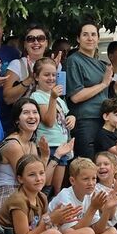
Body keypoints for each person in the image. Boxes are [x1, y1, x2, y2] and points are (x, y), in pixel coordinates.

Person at [0, 156, 79, 234]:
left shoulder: (42, 197)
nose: (39, 178)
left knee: (88, 232)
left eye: (41, 173)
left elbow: (42, 225)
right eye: (32, 175)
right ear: (20, 179)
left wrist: (58, 220)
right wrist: (50, 220)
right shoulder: (18, 201)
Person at [46, 159, 115, 234]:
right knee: (84, 232)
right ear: (72, 181)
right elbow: (73, 231)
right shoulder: (65, 197)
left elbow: (98, 230)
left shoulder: (90, 194)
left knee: (112, 232)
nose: (91, 183)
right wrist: (93, 208)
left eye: (94, 178)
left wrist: (107, 210)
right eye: (86, 179)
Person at [0, 98, 44, 219]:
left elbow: (39, 179)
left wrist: (52, 157)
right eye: (26, 113)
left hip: (24, 193)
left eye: (35, 112)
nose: (32, 116)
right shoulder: (13, 145)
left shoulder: (32, 144)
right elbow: (26, 178)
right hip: (6, 194)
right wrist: (47, 157)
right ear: (17, 120)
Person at [27, 58, 75, 192]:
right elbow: (48, 121)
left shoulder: (59, 98)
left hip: (62, 146)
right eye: (46, 75)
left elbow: (64, 117)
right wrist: (52, 98)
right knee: (45, 187)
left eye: (54, 75)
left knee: (57, 189)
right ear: (36, 77)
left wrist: (72, 118)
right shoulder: (37, 96)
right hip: (49, 147)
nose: (51, 78)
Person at [65, 21, 110, 160]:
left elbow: (103, 94)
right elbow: (76, 96)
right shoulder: (74, 61)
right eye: (85, 35)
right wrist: (103, 84)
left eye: (93, 34)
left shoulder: (100, 64)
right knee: (87, 165)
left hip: (103, 120)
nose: (90, 38)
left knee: (104, 164)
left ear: (98, 38)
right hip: (85, 121)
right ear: (78, 39)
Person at [2, 23, 51, 108]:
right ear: (24, 44)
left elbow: (60, 95)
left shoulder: (54, 65)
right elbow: (7, 98)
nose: (36, 42)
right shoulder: (17, 64)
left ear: (46, 43)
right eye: (30, 39)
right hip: (26, 117)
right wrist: (29, 79)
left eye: (40, 38)